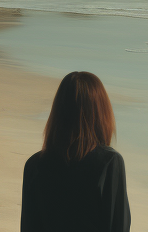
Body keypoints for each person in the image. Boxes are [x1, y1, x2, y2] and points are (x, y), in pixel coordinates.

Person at [22, 71, 131, 232]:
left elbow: (28, 227)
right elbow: (118, 226)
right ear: (100, 112)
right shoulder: (109, 162)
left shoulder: (34, 165)